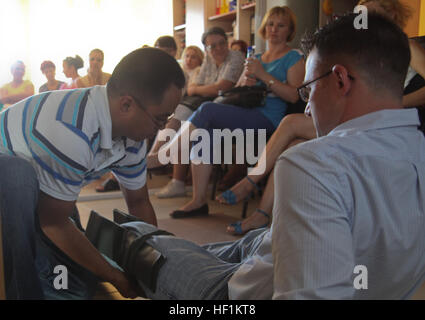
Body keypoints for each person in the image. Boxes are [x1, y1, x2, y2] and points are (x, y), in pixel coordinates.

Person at [105, 12, 425, 300]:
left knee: (136, 241)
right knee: (240, 242)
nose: (308, 106)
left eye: (309, 90)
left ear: (340, 80)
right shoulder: (416, 149)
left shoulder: (313, 164)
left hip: (237, 292)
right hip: (270, 254)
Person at [217, 0, 425, 235]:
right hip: (360, 120)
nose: (358, 22)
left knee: (290, 123)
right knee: (293, 147)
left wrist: (393, 105)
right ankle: (263, 215)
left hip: (388, 122)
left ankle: (252, 182)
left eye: (366, 16)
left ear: (389, 17)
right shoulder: (356, 51)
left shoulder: (405, 47)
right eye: (357, 16)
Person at [0, 48, 185, 299]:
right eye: (160, 119)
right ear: (127, 104)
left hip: (41, 191)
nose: (161, 129)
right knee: (62, 286)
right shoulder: (71, 128)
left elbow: (139, 202)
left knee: (76, 280)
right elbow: (54, 223)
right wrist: (117, 277)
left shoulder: (132, 137)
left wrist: (153, 262)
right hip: (13, 186)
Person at [150, 6, 305, 216]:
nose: (274, 29)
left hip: (268, 118)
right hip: (246, 110)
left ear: (290, 30)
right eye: (270, 24)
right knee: (206, 132)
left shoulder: (293, 57)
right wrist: (247, 79)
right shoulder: (256, 56)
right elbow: (239, 89)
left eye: (280, 25)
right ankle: (199, 201)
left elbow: (295, 96)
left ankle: (166, 154)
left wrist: (264, 77)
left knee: (207, 110)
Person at [147, 27, 244, 199]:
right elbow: (192, 89)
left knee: (188, 118)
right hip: (206, 104)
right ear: (206, 49)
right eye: (212, 46)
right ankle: (157, 160)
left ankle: (155, 161)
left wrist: (204, 89)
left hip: (226, 107)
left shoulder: (235, 57)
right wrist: (209, 89)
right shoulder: (208, 59)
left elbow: (223, 87)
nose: (218, 49)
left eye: (222, 43)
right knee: (181, 113)